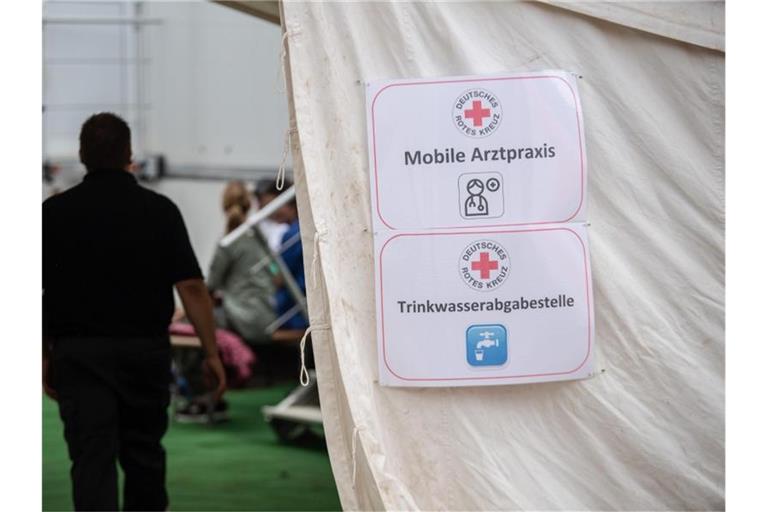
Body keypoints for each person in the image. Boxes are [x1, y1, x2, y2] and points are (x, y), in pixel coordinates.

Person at [42, 112, 226, 511]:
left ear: (82, 155)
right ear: (129, 154)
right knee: (144, 458)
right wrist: (210, 352)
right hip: (144, 354)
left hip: (80, 355)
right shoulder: (160, 210)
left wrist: (44, 353)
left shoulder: (53, 214)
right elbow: (192, 287)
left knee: (92, 461)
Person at [207, 180, 276, 343]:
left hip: (241, 320)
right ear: (249, 204)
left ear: (224, 206)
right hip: (268, 317)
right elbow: (275, 272)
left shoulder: (227, 243)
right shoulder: (259, 238)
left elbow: (210, 286)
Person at [256, 178, 308, 330]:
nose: (271, 213)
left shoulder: (292, 235)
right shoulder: (301, 230)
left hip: (294, 316)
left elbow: (278, 276)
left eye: (274, 206)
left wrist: (271, 265)